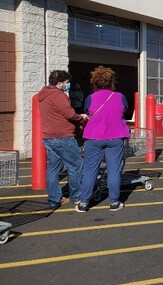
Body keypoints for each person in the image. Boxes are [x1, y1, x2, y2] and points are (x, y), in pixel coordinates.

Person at [76, 66, 130, 212]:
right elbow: (124, 109)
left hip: (93, 137)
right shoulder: (120, 97)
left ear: (95, 82)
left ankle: (84, 202)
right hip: (115, 136)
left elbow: (87, 111)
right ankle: (114, 202)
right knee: (114, 171)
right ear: (111, 81)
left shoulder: (90, 98)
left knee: (90, 170)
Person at [37, 70, 87, 209]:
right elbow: (69, 114)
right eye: (66, 82)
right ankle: (77, 196)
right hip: (63, 137)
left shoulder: (43, 95)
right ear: (59, 83)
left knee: (53, 168)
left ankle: (54, 199)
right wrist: (81, 117)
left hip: (49, 137)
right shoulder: (58, 95)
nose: (67, 85)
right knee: (76, 165)